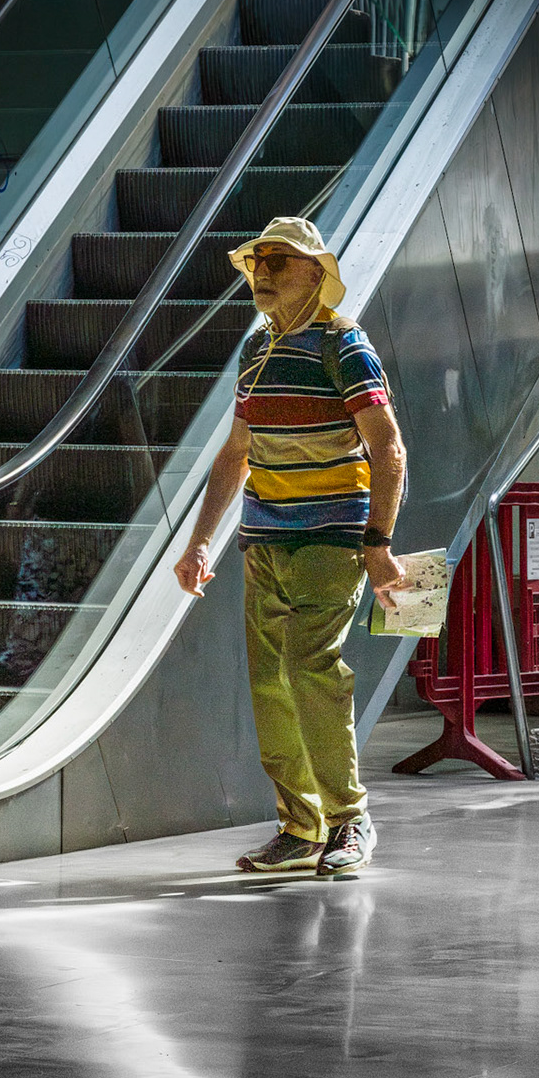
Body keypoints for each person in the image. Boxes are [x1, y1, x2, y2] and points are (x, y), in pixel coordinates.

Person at [174, 217, 407, 875]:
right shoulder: (257, 350)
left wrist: (378, 543)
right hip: (264, 541)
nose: (262, 273)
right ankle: (301, 826)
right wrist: (200, 542)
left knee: (310, 669)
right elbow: (237, 453)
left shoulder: (345, 345)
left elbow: (388, 448)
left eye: (278, 261)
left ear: (314, 272)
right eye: (258, 261)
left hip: (329, 540)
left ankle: (349, 818)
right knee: (270, 684)